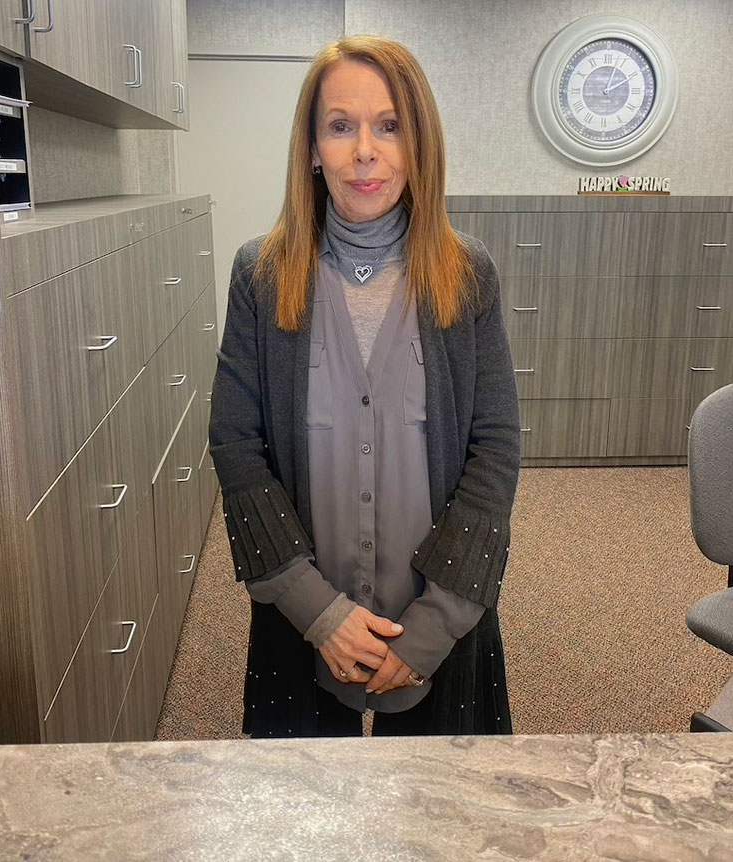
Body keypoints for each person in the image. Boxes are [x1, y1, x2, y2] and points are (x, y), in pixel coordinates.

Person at [209, 35, 520, 739]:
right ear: (313, 148)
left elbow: (495, 449)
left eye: (389, 125)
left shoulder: (468, 275)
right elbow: (235, 442)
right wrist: (318, 612)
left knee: (441, 824)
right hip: (304, 618)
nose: (365, 150)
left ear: (418, 145)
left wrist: (435, 624)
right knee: (308, 822)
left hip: (442, 616)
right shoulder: (260, 274)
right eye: (341, 126)